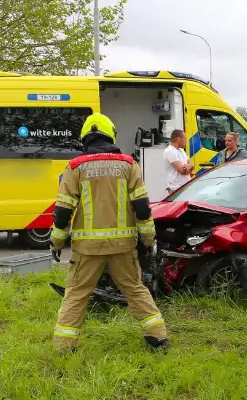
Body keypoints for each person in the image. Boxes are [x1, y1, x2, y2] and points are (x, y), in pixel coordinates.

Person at [50, 113, 169, 351]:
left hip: (87, 249)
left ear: (86, 138)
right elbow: (142, 208)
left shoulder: (75, 167)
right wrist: (149, 239)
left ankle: (64, 346)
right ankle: (157, 336)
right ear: (110, 135)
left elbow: (63, 211)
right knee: (134, 289)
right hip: (123, 247)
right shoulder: (128, 165)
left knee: (76, 293)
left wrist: (56, 242)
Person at [162, 129, 193, 193]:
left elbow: (192, 165)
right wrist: (190, 167)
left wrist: (190, 165)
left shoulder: (181, 151)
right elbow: (183, 171)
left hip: (184, 187)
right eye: (185, 138)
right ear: (179, 139)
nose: (186, 141)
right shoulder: (170, 151)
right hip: (176, 189)